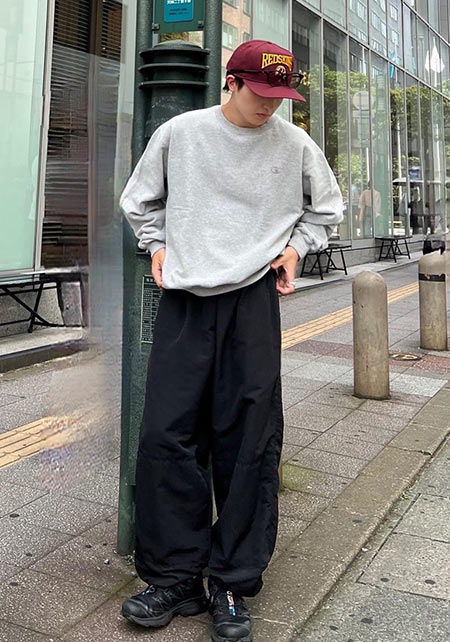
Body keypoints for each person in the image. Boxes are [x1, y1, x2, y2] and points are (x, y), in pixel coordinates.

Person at [119, 39, 343, 642]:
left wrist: (296, 249)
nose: (270, 105)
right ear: (232, 82)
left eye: (280, 95)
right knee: (167, 434)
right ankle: (174, 577)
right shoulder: (182, 134)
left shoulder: (295, 145)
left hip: (252, 300)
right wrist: (156, 244)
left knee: (249, 438)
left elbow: (326, 209)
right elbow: (140, 199)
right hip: (186, 300)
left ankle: (231, 582)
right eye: (260, 93)